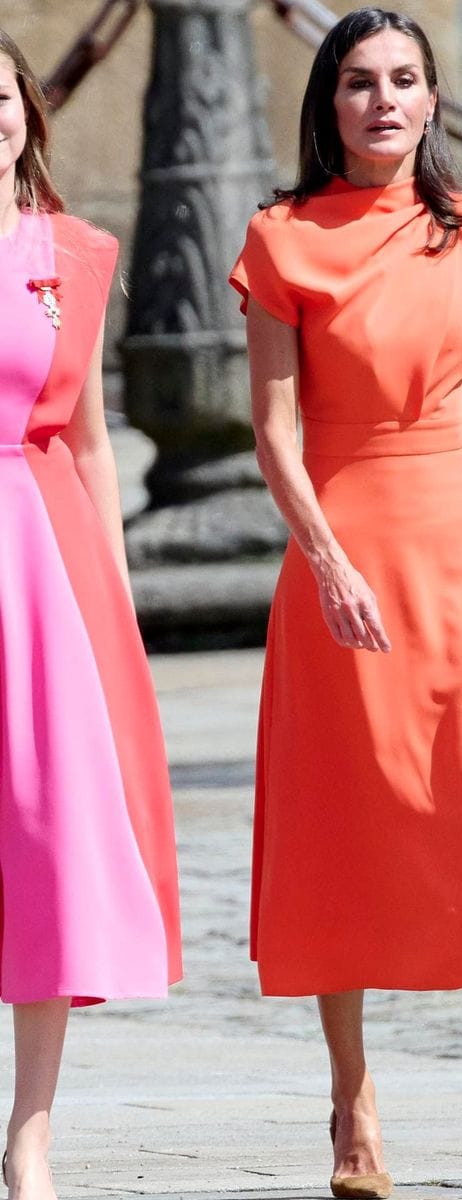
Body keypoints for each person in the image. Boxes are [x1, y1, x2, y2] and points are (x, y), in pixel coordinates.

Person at [229, 8, 462, 1199]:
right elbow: (273, 432)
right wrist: (328, 561)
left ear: (433, 101)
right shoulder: (282, 238)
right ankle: (352, 1109)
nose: (383, 99)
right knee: (344, 818)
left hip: (461, 558)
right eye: (357, 82)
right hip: (345, 558)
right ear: (327, 106)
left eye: (404, 80)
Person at [0, 30, 182, 1200]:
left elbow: (91, 437)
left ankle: (31, 1136)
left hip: (40, 565)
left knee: (49, 843)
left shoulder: (73, 251)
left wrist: (112, 599)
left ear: (27, 107)